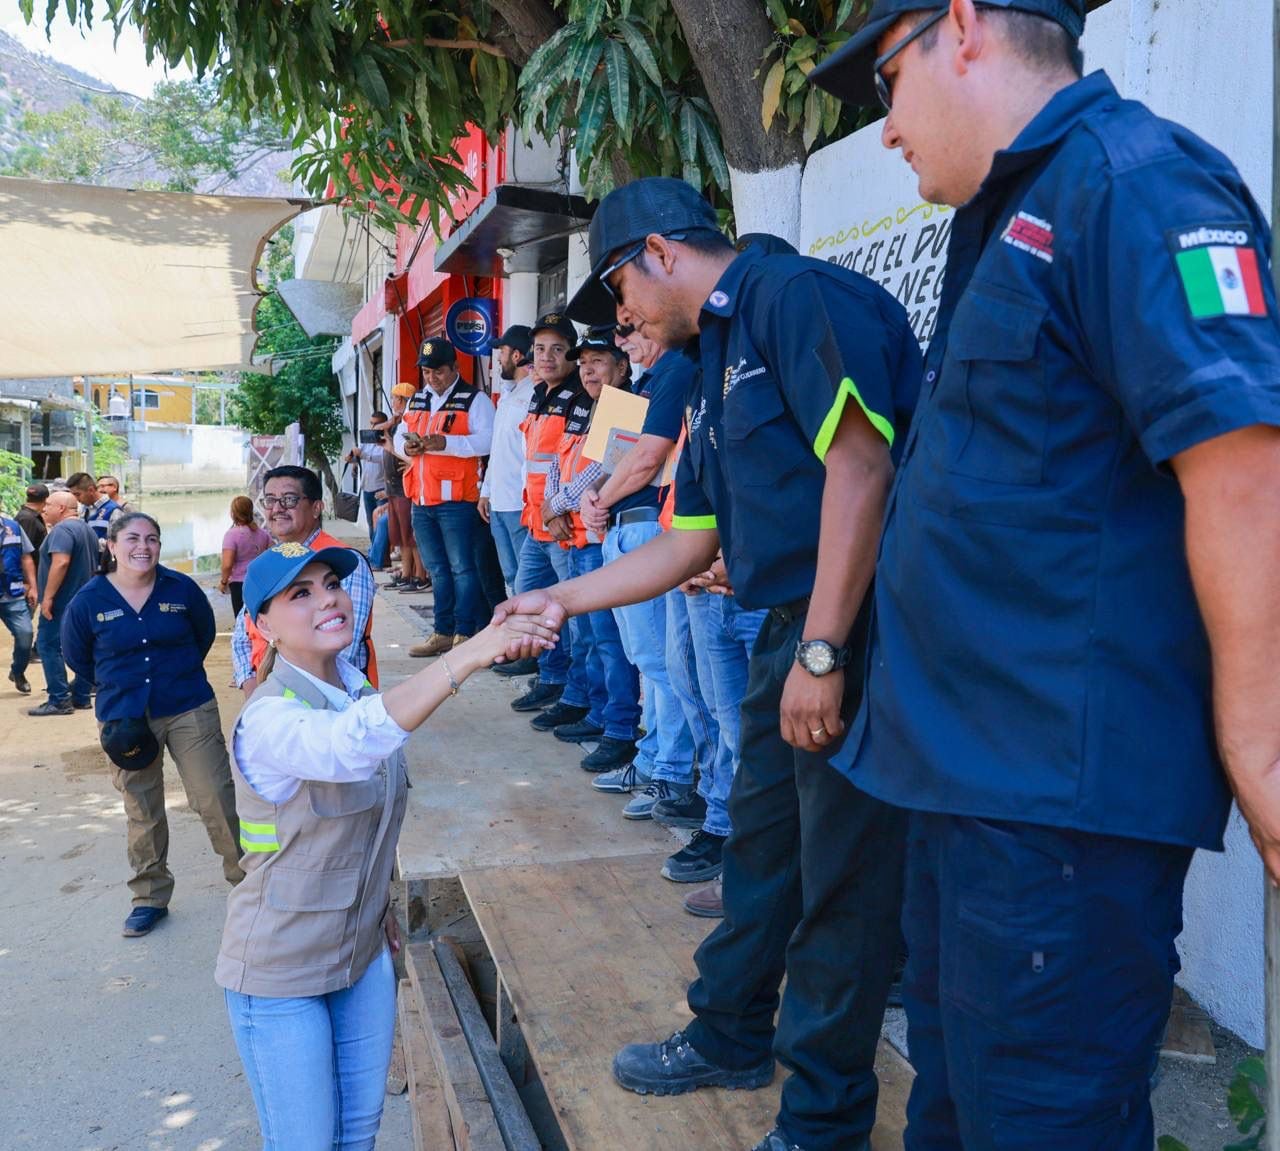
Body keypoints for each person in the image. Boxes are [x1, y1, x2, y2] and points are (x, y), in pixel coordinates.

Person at [806, 1, 1280, 1146]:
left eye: (885, 83)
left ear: (960, 27)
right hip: (968, 791)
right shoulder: (1009, 209)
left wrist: (1262, 753)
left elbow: (1241, 473)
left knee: (1044, 1119)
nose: (885, 129)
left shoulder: (1132, 185)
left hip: (1051, 820)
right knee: (959, 1109)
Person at [496, 177, 921, 1151]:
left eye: (620, 292)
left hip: (853, 630)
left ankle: (819, 1122)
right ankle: (729, 1029)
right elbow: (687, 542)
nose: (625, 318)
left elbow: (863, 464)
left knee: (838, 887)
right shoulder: (710, 358)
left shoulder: (793, 298)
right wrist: (558, 598)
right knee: (759, 852)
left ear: (655, 251)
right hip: (788, 633)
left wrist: (821, 645)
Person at [216, 541, 555, 1151]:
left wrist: (379, 906)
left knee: (357, 1136)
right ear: (260, 625)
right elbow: (349, 745)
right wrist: (476, 649)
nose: (328, 600)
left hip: (362, 953)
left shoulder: (354, 688)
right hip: (281, 971)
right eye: (301, 594)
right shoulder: (270, 718)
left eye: (332, 585)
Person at [61, 512, 244, 937]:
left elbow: (201, 637)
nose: (143, 547)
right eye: (133, 538)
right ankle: (149, 895)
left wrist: (172, 674)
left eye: (153, 539)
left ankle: (248, 883)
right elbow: (78, 657)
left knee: (214, 795)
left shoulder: (181, 589)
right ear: (111, 545)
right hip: (124, 718)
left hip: (186, 705)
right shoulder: (89, 601)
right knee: (141, 807)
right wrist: (120, 686)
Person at [580, 330, 706, 796]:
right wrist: (597, 499)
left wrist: (598, 501)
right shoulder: (641, 384)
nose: (624, 338)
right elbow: (617, 460)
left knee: (658, 662)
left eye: (631, 327)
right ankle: (653, 760)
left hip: (649, 527)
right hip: (626, 527)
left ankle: (667, 770)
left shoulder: (675, 370)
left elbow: (649, 457)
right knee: (646, 660)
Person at [537, 326, 643, 772]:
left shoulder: (627, 403)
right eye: (583, 362)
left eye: (598, 361)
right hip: (578, 535)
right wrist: (551, 505)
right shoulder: (589, 405)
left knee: (612, 641)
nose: (588, 370)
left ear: (622, 365)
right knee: (593, 637)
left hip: (602, 538)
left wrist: (554, 504)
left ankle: (619, 729)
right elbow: (559, 463)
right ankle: (600, 714)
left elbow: (604, 471)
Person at [231, 466, 378, 696]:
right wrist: (255, 692)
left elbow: (341, 651)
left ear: (317, 508)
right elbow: (242, 634)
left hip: (335, 704)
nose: (278, 508)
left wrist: (282, 696)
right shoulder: (269, 562)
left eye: (289, 500)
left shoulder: (347, 562)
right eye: (270, 500)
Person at [397, 338, 494, 657]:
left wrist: (446, 443)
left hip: (457, 501)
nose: (432, 378)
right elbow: (400, 435)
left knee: (462, 568)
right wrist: (406, 447)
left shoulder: (474, 400)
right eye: (426, 372)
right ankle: (442, 631)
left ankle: (465, 633)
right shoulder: (418, 400)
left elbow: (487, 441)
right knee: (437, 569)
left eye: (438, 371)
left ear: (455, 368)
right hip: (421, 500)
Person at [509, 313, 585, 715]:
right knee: (531, 600)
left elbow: (577, 463)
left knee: (568, 615)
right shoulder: (540, 394)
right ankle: (551, 678)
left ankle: (573, 692)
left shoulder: (581, 396)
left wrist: (557, 508)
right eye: (540, 349)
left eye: (558, 349)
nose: (548, 357)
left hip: (563, 525)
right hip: (536, 522)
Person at [28, 490, 99, 716]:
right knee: (85, 647)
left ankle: (59, 699)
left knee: (48, 646)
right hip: (84, 601)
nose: (44, 508)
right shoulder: (86, 529)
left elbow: (61, 562)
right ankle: (81, 694)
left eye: (48, 505)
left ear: (61, 508)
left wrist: (47, 598)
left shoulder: (62, 530)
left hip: (63, 602)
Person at [482, 325, 536, 600]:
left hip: (519, 504)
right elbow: (498, 449)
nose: (498, 358)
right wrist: (486, 491)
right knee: (511, 578)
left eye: (502, 351)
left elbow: (531, 454)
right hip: (499, 504)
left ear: (516, 356)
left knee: (526, 581)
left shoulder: (532, 397)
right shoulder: (508, 395)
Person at [379, 386, 430, 593]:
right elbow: (376, 431)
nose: (392, 401)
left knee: (411, 535)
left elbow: (414, 454)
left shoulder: (413, 422)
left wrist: (409, 462)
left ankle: (420, 575)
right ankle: (407, 573)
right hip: (393, 487)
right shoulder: (396, 423)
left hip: (405, 487)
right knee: (399, 536)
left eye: (395, 398)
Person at [1, 510, 37, 694]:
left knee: (26, 635)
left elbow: (26, 557)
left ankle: (18, 672)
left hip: (11, 593)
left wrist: (33, 585)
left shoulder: (13, 527)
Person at [220, 495, 272, 617]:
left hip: (239, 584)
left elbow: (227, 565)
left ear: (233, 514)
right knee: (258, 618)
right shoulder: (263, 534)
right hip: (260, 582)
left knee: (242, 621)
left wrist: (223, 582)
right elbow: (272, 555)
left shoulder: (231, 535)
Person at [346, 411, 388, 545]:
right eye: (371, 423)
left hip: (381, 488)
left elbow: (382, 458)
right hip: (367, 487)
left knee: (380, 523)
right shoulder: (367, 439)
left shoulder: (387, 441)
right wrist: (351, 457)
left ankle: (380, 555)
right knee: (371, 522)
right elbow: (359, 455)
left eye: (376, 424)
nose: (373, 427)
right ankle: (373, 551)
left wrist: (363, 455)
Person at [66, 471, 121, 549]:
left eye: (78, 494)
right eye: (73, 495)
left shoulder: (114, 510)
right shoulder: (83, 509)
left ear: (91, 490)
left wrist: (85, 543)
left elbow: (117, 543)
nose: (76, 499)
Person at [17, 483, 48, 553]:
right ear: (45, 500)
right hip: (33, 562)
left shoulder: (28, 516)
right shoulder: (27, 518)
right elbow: (25, 550)